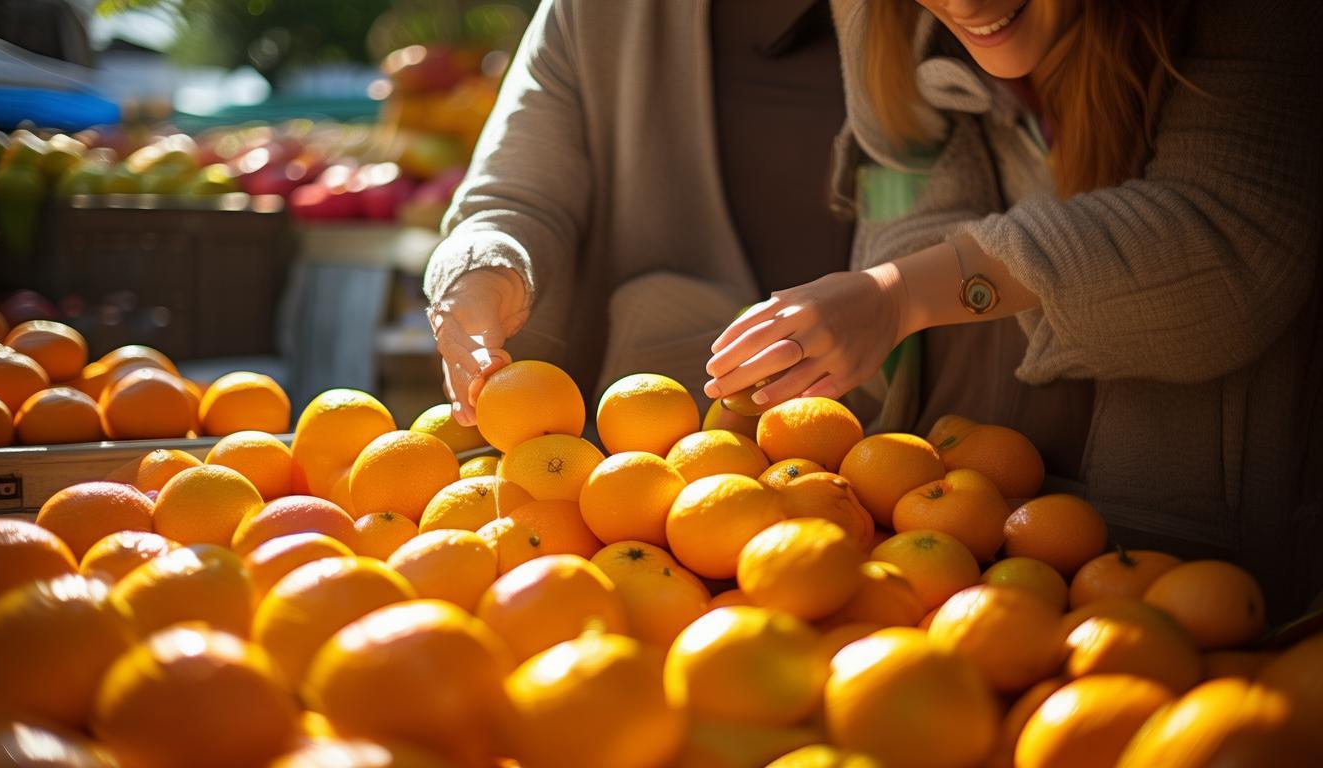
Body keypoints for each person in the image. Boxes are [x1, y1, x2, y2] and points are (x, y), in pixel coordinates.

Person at [706, 0, 1322, 616]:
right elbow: (895, 167)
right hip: (951, 548)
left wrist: (902, 294)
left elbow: (1229, 245)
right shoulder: (883, 17)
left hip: (1204, 566)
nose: (968, 5)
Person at [425, 0, 855, 425]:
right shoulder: (593, 12)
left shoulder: (910, 18)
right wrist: (480, 273)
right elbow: (515, 196)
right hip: (638, 438)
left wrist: (896, 300)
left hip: (879, 436)